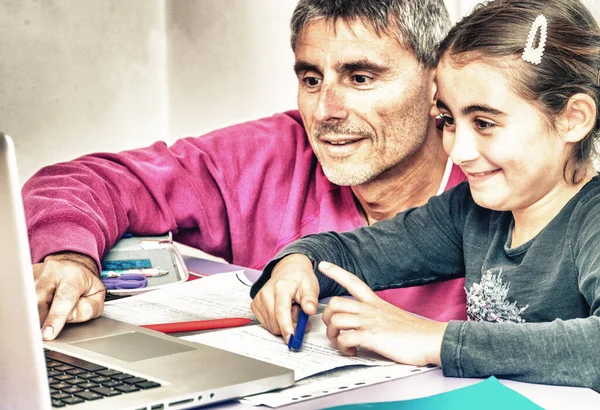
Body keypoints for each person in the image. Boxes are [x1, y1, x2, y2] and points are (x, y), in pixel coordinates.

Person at [23, 0, 467, 342]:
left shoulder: (494, 184)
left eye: (360, 78)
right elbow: (84, 182)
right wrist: (69, 257)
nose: (326, 112)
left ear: (436, 87)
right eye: (311, 80)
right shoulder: (272, 153)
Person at [250, 0, 600, 391]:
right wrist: (299, 262)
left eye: (484, 123)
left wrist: (433, 338)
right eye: (449, 120)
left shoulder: (593, 221)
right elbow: (358, 253)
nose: (459, 149)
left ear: (573, 119)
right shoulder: (469, 211)